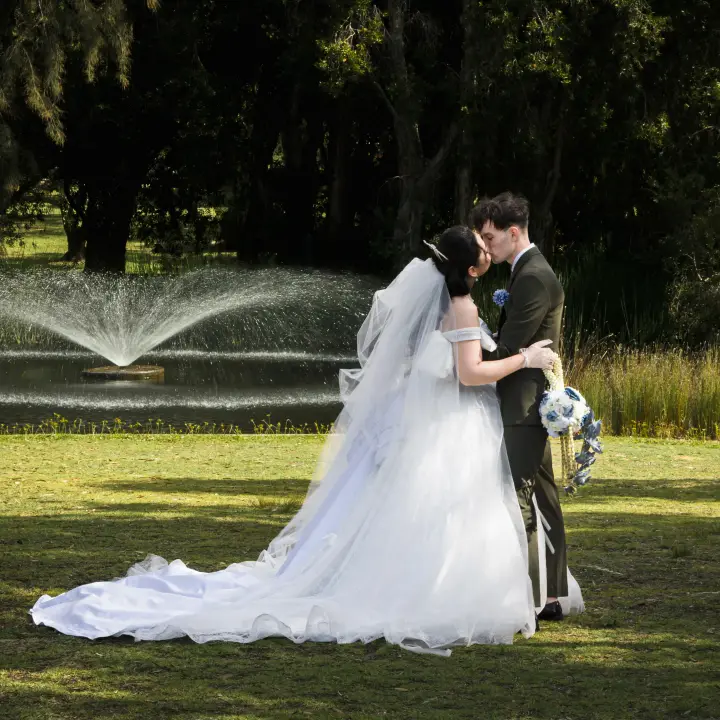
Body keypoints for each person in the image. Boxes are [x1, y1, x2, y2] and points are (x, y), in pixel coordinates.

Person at [30, 226, 557, 656]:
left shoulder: (436, 305)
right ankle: (444, 595)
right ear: (468, 269)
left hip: (433, 423)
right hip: (451, 425)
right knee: (446, 514)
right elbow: (469, 375)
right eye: (482, 250)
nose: (489, 253)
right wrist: (526, 360)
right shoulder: (461, 309)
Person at [471, 192, 574, 620]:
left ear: (514, 233)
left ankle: (532, 600)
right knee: (544, 498)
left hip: (523, 407)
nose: (487, 247)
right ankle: (550, 597)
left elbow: (510, 348)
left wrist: (470, 349)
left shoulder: (532, 277)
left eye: (491, 238)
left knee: (521, 501)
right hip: (529, 403)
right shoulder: (525, 271)